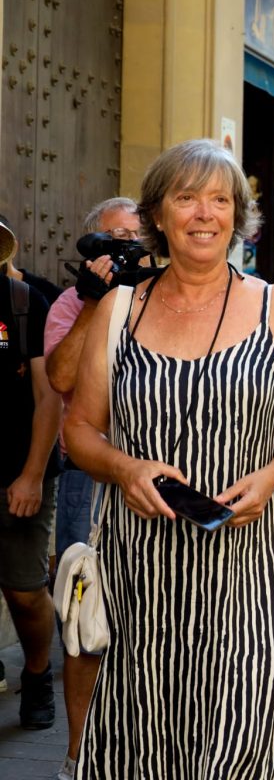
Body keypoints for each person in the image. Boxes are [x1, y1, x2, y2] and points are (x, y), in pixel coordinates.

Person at [63, 138, 274, 777]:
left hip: (251, 575)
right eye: (187, 198)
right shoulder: (120, 310)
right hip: (143, 579)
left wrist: (272, 476)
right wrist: (125, 468)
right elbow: (80, 430)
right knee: (145, 746)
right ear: (159, 215)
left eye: (220, 199)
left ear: (239, 216)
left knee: (241, 746)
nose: (204, 213)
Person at [42, 196, 142, 780]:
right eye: (114, 241)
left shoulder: (165, 294)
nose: (127, 250)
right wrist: (93, 304)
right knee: (85, 618)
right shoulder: (70, 303)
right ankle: (79, 757)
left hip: (162, 475)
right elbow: (58, 378)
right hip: (89, 476)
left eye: (136, 238)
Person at [0, 214, 60, 733]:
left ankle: (38, 674)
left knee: (23, 590)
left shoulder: (23, 303)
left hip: (16, 472)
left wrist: (33, 475)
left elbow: (49, 398)